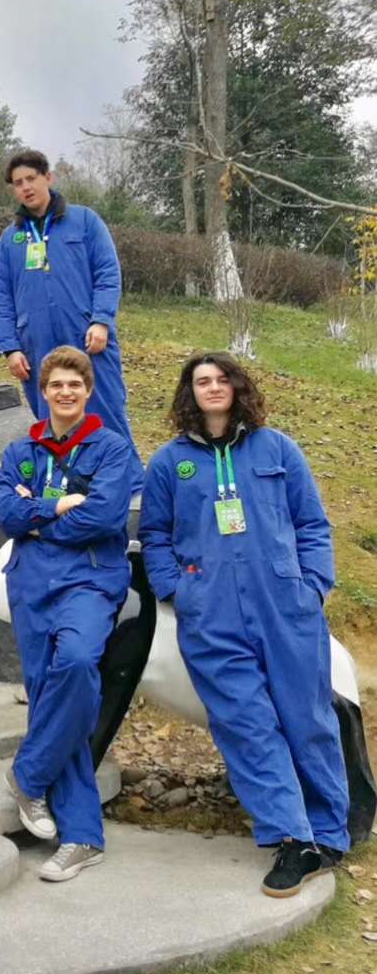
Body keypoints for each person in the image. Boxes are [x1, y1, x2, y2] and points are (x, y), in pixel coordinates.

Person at [139, 353, 348, 897]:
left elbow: (311, 523)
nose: (213, 387)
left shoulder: (277, 448)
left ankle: (329, 832)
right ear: (190, 392)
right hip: (211, 615)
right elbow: (156, 534)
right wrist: (177, 589)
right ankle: (292, 839)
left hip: (286, 607)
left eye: (221, 378)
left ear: (237, 385)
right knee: (245, 723)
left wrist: (313, 586)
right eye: (201, 381)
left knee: (307, 718)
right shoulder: (169, 463)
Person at [0, 345, 137, 884]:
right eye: (56, 385)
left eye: (75, 384)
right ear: (42, 391)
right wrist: (53, 507)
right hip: (32, 583)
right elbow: (4, 511)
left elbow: (104, 517)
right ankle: (81, 838)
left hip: (90, 580)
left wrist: (37, 521)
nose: (66, 392)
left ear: (88, 390)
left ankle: (28, 775)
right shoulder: (21, 450)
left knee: (75, 666)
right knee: (52, 697)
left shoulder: (111, 450)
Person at [0, 149, 140, 475]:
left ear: (48, 178)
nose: (26, 187)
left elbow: (107, 274)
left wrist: (101, 320)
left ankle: (128, 486)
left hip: (88, 339)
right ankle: (67, 481)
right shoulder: (10, 239)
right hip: (36, 345)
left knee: (105, 409)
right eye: (18, 183)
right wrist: (10, 347)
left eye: (31, 178)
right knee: (52, 414)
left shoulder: (84, 221)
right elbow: (1, 296)